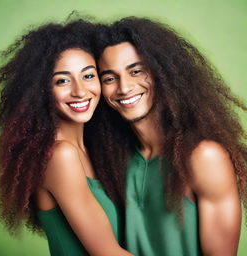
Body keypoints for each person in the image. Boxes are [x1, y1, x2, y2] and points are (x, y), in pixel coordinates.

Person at [91, 17, 247, 255]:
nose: (124, 87)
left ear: (162, 72)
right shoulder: (113, 159)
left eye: (137, 71)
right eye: (110, 78)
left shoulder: (204, 157)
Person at [0, 20, 133, 256]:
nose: (79, 91)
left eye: (88, 76)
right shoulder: (60, 156)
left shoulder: (91, 151)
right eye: (62, 80)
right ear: (41, 90)